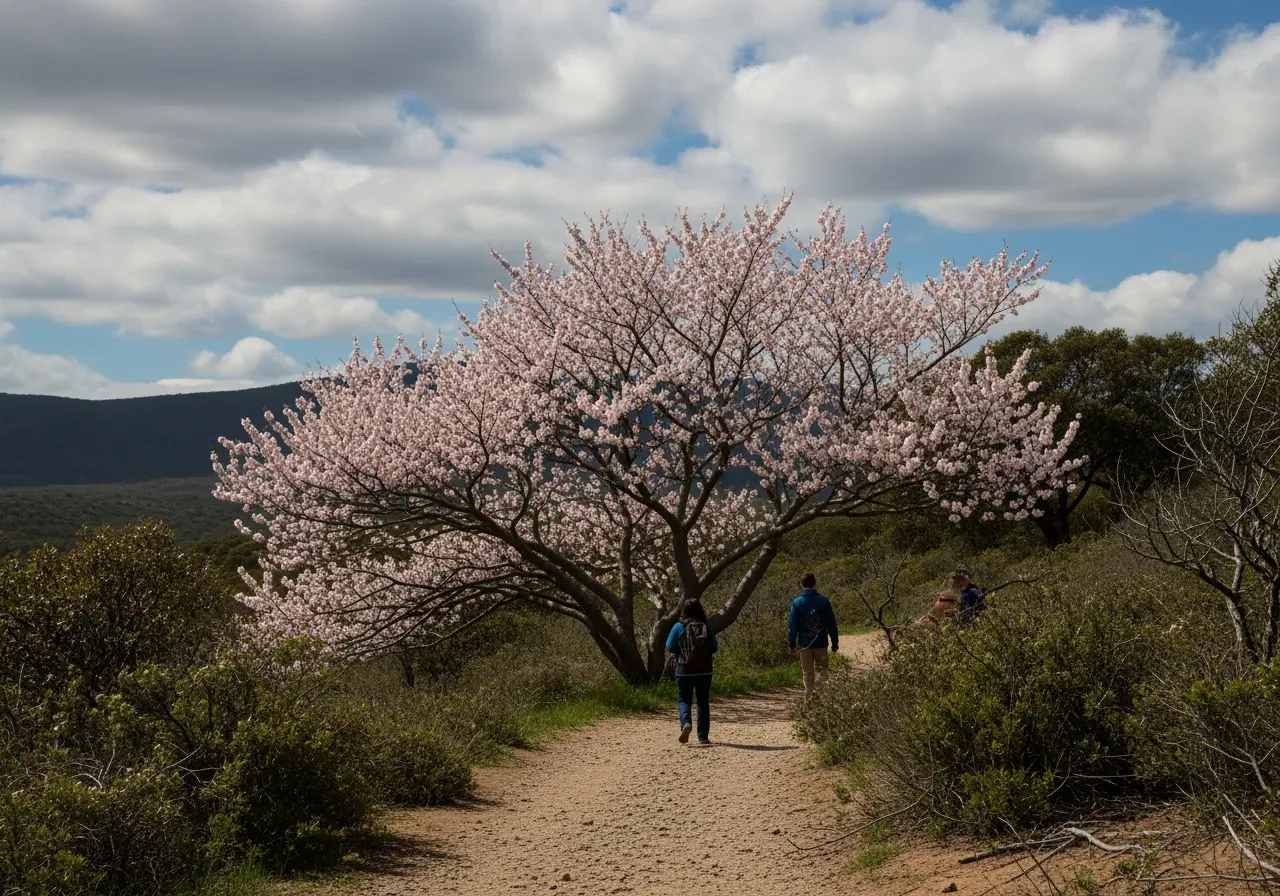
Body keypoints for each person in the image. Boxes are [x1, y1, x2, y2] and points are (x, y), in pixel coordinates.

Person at [666, 598, 719, 745]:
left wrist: (681, 650)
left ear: (684, 611)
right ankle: (703, 737)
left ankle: (686, 723)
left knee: (684, 699)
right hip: (705, 671)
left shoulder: (679, 626)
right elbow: (715, 647)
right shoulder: (705, 627)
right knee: (703, 702)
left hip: (684, 669)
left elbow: (669, 646)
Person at [788, 573, 839, 698]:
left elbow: (793, 625)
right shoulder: (823, 601)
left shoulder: (797, 602)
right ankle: (820, 697)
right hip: (821, 642)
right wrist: (835, 643)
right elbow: (831, 623)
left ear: (801, 585)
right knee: (822, 671)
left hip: (804, 643)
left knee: (807, 672)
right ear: (815, 584)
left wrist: (792, 642)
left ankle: (809, 696)